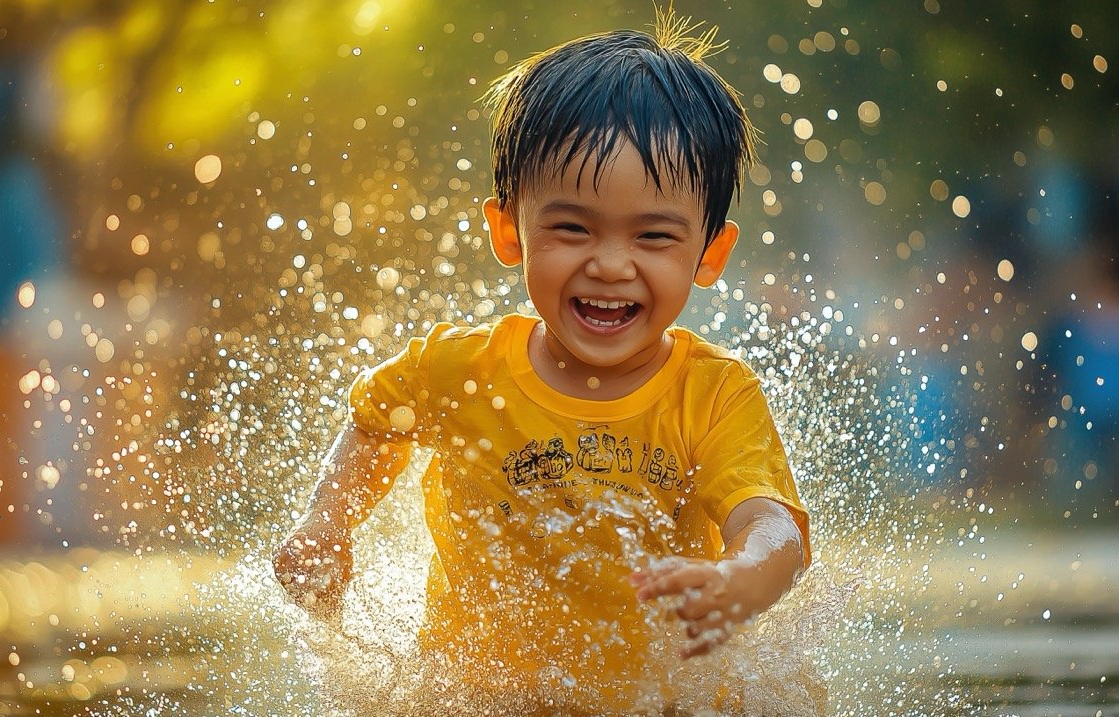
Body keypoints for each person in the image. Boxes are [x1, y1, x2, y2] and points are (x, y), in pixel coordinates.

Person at [274, 10, 811, 714]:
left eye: (653, 236)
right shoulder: (457, 369)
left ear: (709, 253)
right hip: (479, 698)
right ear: (508, 230)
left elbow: (770, 526)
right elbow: (379, 422)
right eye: (571, 228)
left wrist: (743, 580)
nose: (611, 264)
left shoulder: (713, 395)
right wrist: (328, 521)